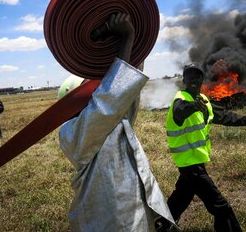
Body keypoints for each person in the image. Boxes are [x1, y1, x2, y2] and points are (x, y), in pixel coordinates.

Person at [58, 13, 175, 231]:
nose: (101, 95)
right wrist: (127, 38)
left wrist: (138, 39)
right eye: (94, 95)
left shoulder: (118, 121)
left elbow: (125, 90)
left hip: (136, 216)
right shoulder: (71, 134)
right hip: (110, 222)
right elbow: (108, 103)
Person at [160, 64, 246, 231]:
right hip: (191, 165)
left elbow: (228, 117)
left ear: (202, 80)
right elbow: (179, 111)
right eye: (189, 76)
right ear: (184, 80)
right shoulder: (181, 99)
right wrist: (193, 107)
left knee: (182, 196)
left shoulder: (205, 101)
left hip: (193, 162)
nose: (193, 79)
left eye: (197, 76)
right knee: (221, 206)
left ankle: (161, 225)